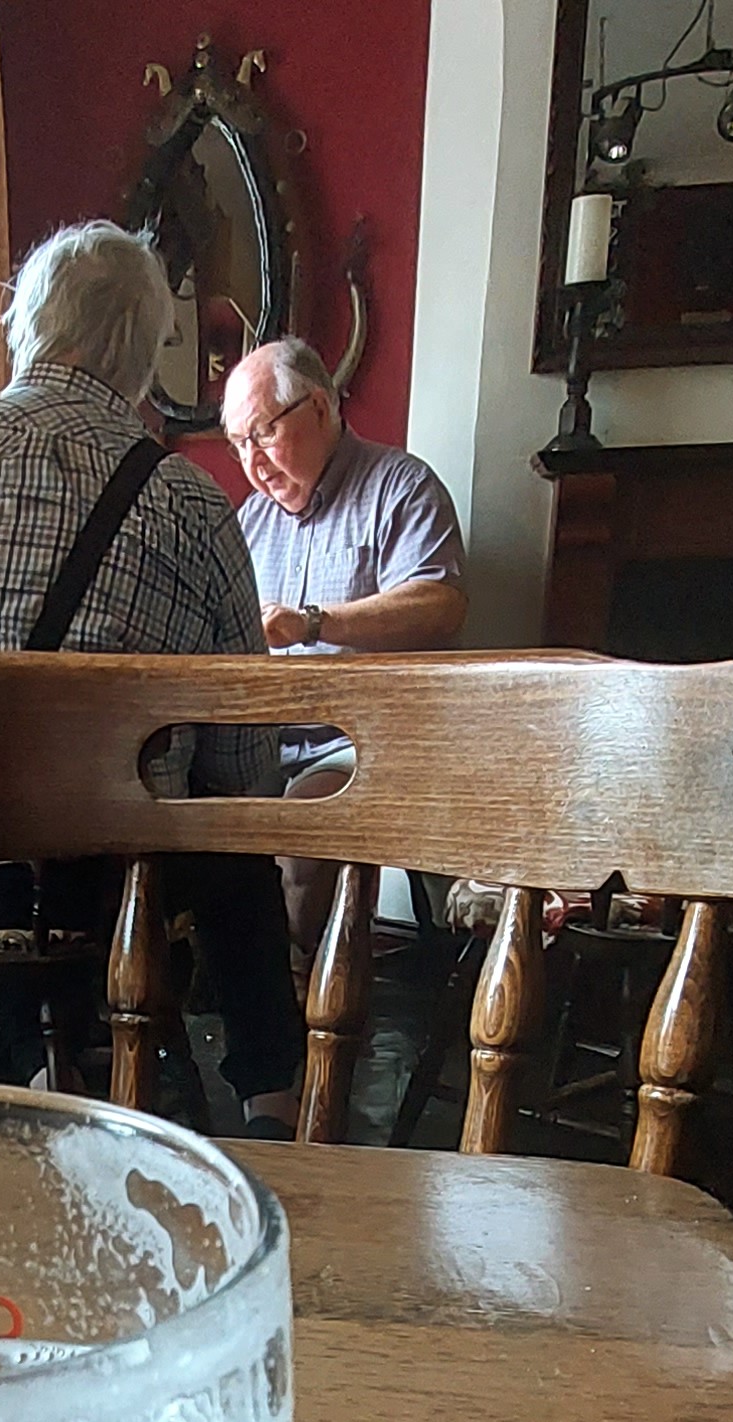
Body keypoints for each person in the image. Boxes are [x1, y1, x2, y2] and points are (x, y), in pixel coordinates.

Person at [0, 222, 306, 1137]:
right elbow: (247, 764)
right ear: (145, 353)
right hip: (99, 890)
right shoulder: (184, 499)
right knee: (237, 833)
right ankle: (273, 1110)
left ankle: (24, 1063)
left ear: (26, 324)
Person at [222, 337, 467, 959]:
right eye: (239, 444)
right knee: (189, 817)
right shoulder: (251, 521)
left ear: (319, 406)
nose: (253, 462)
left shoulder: (401, 487)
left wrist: (313, 623)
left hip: (362, 742)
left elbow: (439, 605)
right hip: (265, 740)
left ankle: (298, 997)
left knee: (301, 840)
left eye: (263, 433)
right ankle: (228, 991)